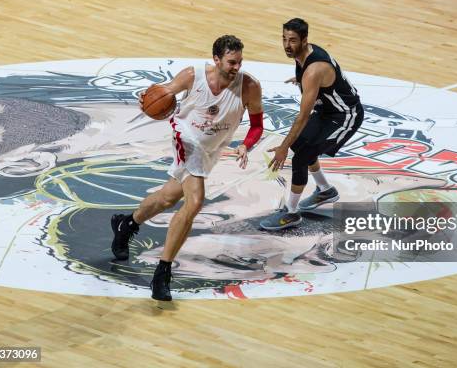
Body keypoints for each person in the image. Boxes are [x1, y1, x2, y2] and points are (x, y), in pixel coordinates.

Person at [110, 35, 264, 301]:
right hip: (185, 136)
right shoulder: (193, 76)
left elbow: (257, 124)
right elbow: (163, 93)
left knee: (168, 197)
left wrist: (246, 145)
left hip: (211, 149)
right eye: (231, 62)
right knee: (195, 202)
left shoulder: (250, 86)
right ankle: (163, 272)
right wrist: (146, 99)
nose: (236, 67)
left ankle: (127, 224)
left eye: (239, 62)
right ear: (216, 59)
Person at [261, 18, 364, 230]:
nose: (287, 46)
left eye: (292, 41)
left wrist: (283, 147)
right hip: (327, 111)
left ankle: (290, 213)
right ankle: (325, 190)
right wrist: (303, 81)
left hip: (346, 116)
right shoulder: (304, 57)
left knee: (300, 157)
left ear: (305, 40)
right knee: (300, 146)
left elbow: (303, 116)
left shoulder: (313, 70)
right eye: (284, 39)